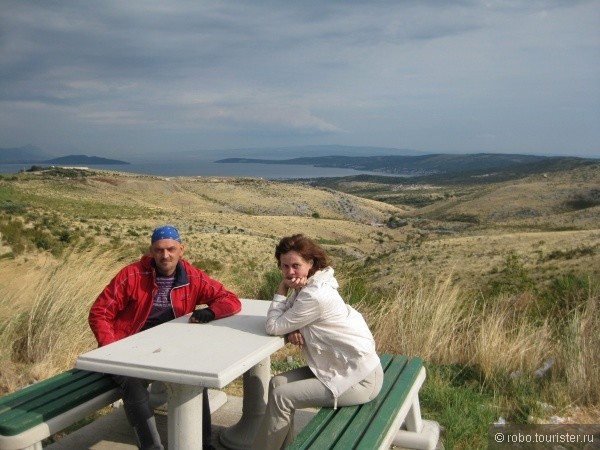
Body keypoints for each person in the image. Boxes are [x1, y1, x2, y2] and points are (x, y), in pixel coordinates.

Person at [89, 225, 241, 450]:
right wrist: (112, 350)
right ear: (151, 251)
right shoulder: (131, 275)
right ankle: (151, 446)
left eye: (171, 249)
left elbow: (229, 299)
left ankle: (203, 443)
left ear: (182, 249)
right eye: (159, 250)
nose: (165, 255)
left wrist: (211, 311)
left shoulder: (191, 276)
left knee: (195, 376)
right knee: (132, 381)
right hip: (128, 345)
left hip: (170, 347)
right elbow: (100, 313)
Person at [252, 234, 383, 450]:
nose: (289, 272)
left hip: (359, 379)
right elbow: (288, 318)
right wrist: (296, 324)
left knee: (282, 398)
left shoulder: (314, 294)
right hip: (341, 366)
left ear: (310, 263)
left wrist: (282, 290)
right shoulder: (312, 285)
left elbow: (273, 326)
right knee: (277, 384)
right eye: (284, 266)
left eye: (296, 265)